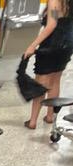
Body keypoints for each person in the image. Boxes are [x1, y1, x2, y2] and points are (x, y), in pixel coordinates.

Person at [23, 0, 73, 128]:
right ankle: (50, 116)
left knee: (41, 83)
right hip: (66, 45)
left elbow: (52, 25)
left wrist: (33, 45)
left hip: (52, 45)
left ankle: (33, 121)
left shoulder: (54, 1)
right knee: (55, 80)